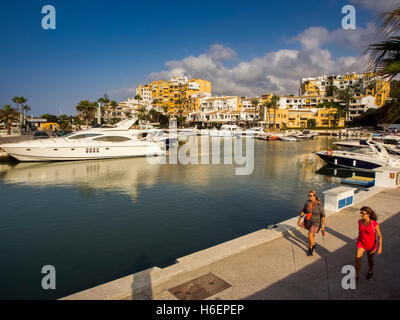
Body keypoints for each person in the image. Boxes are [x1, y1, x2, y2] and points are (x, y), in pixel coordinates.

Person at [355, 206, 383, 280]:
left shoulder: (374, 224)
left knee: (370, 259)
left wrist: (380, 246)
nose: (361, 215)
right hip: (361, 243)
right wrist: (357, 240)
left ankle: (370, 271)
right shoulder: (360, 222)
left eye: (363, 213)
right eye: (361, 213)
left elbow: (379, 236)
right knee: (357, 258)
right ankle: (357, 275)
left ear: (368, 214)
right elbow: (360, 232)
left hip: (371, 245)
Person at [297, 190, 326, 256]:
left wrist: (323, 225)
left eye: (311, 196)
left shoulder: (319, 204)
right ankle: (314, 244)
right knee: (312, 234)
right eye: (309, 195)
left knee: (310, 234)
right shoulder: (307, 202)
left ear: (315, 196)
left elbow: (323, 215)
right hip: (308, 221)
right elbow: (303, 211)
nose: (309, 197)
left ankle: (310, 249)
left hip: (316, 222)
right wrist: (299, 220)